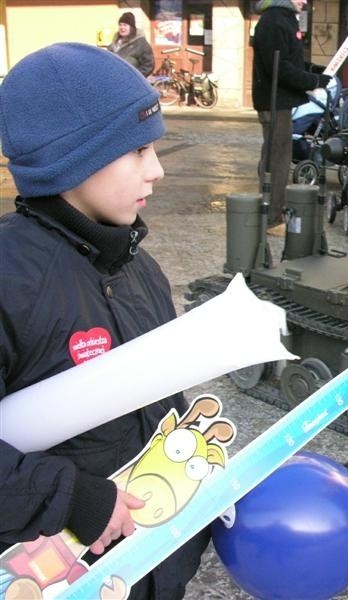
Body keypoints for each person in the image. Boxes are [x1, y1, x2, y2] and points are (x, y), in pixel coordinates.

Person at [0, 43, 207, 598]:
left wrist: (208, 467)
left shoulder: (143, 269)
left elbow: (162, 404)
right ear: (74, 157)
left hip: (154, 569)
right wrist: (70, 498)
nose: (158, 170)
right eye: (138, 150)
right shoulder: (9, 279)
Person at [252, 0, 330, 228]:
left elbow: (289, 60)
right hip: (274, 102)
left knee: (277, 157)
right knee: (277, 160)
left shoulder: (281, 18)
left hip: (279, 101)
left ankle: (271, 211)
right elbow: (280, 68)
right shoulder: (275, 21)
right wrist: (313, 80)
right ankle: (271, 217)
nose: (304, 1)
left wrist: (313, 69)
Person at [108, 11, 154, 77]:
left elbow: (148, 65)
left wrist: (135, 77)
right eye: (120, 24)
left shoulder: (140, 43)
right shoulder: (115, 42)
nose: (122, 27)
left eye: (125, 25)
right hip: (114, 78)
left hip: (130, 80)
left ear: (131, 27)